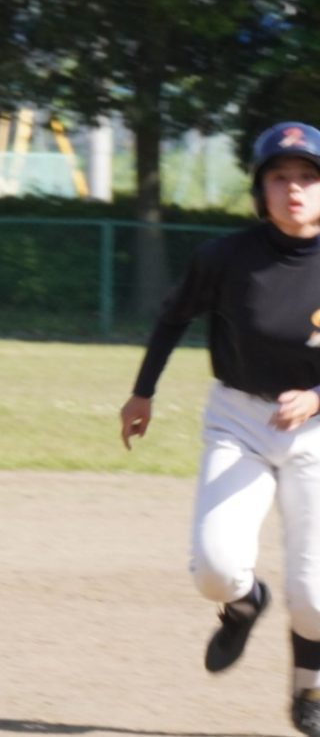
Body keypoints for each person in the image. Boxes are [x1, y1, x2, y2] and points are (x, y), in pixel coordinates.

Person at [119, 121, 320, 736]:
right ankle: (244, 605)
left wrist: (316, 398)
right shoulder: (226, 257)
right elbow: (173, 317)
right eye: (279, 177)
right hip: (239, 419)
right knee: (215, 568)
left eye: (308, 176)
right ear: (260, 189)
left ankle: (309, 688)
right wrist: (143, 392)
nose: (294, 189)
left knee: (316, 596)